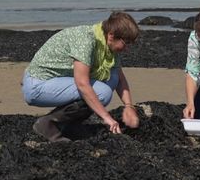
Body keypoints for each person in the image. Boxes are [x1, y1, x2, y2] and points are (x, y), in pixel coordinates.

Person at [21, 12, 140, 142]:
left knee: (112, 78)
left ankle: (69, 125)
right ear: (111, 35)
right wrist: (107, 118)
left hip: (58, 82)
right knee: (102, 92)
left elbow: (119, 77)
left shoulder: (106, 44)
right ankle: (48, 124)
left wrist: (129, 106)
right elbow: (82, 84)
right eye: (126, 43)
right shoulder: (86, 40)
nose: (127, 48)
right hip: (37, 85)